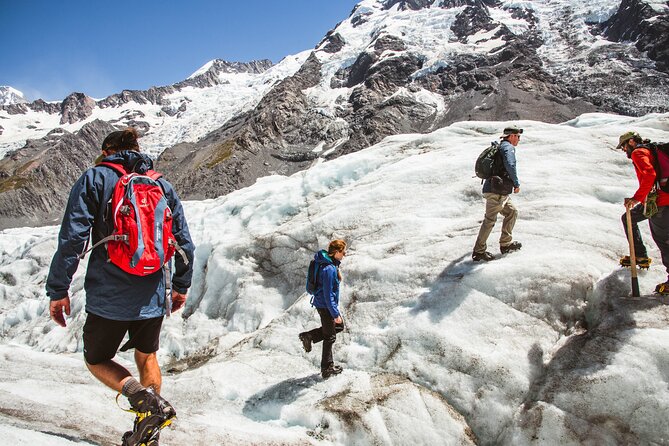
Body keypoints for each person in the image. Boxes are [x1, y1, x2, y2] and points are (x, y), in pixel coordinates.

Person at [46, 128, 195, 445]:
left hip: (108, 295)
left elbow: (73, 240)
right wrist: (181, 286)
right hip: (153, 293)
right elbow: (185, 244)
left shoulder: (95, 178)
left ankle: (143, 400)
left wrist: (58, 290)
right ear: (138, 150)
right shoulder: (160, 184)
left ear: (106, 150)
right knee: (147, 356)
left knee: (97, 360)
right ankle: (148, 431)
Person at [617, 131, 669, 294]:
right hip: (657, 200)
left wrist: (636, 198)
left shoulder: (639, 152)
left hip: (660, 203)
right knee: (629, 217)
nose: (625, 150)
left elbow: (649, 175)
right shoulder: (651, 149)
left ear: (632, 142)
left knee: (664, 241)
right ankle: (640, 255)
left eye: (625, 146)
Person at [472, 126, 523, 261]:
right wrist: (516, 183)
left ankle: (506, 244)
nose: (519, 139)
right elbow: (510, 165)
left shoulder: (500, 146)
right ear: (512, 136)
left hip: (497, 189)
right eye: (518, 136)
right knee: (489, 220)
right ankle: (479, 252)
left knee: (512, 211)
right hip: (497, 191)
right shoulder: (508, 148)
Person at [298, 240, 347, 379]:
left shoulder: (329, 265)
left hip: (323, 304)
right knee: (330, 336)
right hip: (325, 306)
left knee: (334, 330)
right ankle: (327, 368)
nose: (344, 254)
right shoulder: (329, 269)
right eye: (343, 252)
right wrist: (335, 313)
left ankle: (309, 336)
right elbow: (328, 294)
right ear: (336, 252)